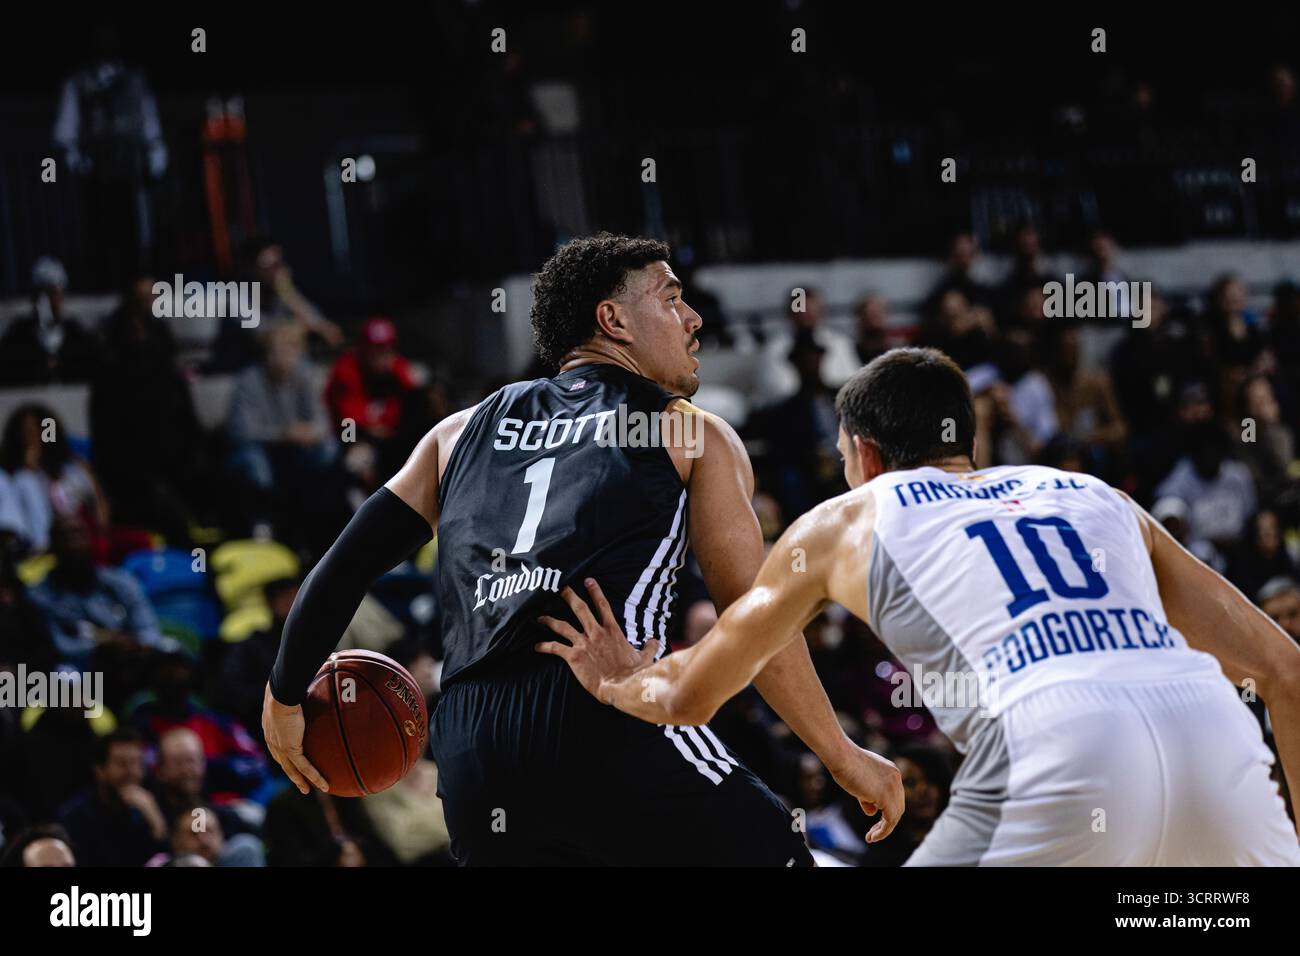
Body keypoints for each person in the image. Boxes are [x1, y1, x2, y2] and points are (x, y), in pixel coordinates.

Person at [262, 233, 900, 866]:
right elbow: (756, 616)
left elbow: (345, 564)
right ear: (613, 320)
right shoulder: (689, 431)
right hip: (602, 703)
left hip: (474, 750)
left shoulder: (456, 433)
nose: (694, 316)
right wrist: (843, 757)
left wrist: (284, 693)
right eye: (671, 298)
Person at [542, 347, 1300, 865]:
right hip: (1215, 737)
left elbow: (689, 694)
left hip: (1057, 743)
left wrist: (617, 681)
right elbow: (1283, 669)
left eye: (843, 458)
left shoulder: (854, 514)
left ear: (864, 454)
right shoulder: (1096, 496)